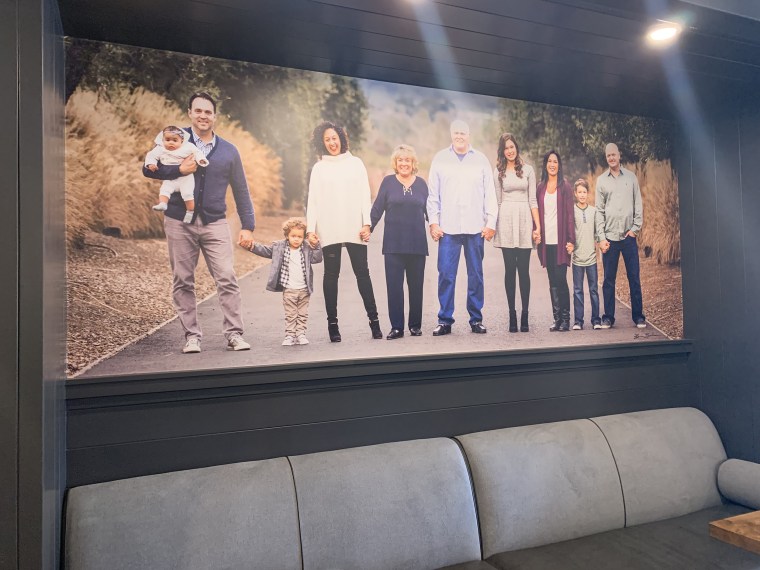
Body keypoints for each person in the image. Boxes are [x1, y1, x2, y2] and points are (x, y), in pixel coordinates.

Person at [142, 91, 254, 354]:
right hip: (179, 221)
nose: (203, 116)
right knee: (183, 279)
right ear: (190, 113)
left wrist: (248, 225)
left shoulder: (229, 151)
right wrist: (178, 171)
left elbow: (241, 189)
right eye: (198, 111)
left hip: (215, 221)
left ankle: (234, 334)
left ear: (215, 116)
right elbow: (148, 168)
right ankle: (192, 336)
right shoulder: (173, 139)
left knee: (226, 277)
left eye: (208, 112)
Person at [306, 121, 382, 343]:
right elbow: (313, 200)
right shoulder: (319, 168)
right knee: (331, 275)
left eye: (334, 138)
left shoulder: (355, 163)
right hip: (329, 228)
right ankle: (333, 326)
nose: (331, 142)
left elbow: (364, 194)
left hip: (354, 227)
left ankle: (374, 323)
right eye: (327, 139)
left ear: (341, 138)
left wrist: (367, 224)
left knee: (362, 273)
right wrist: (311, 229)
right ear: (322, 142)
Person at [427, 120, 497, 336]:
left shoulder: (481, 160)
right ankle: (445, 320)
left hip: (475, 228)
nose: (459, 136)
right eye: (456, 132)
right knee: (446, 275)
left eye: (463, 133)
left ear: (469, 135)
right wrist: (434, 222)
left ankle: (476, 319)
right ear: (451, 134)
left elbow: (490, 193)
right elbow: (433, 196)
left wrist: (491, 223)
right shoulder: (440, 159)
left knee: (476, 274)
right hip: (448, 229)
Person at [370, 144, 428, 340]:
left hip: (417, 245)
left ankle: (415, 325)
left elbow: (432, 212)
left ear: (413, 164)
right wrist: (367, 227)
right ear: (395, 163)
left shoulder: (421, 184)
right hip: (393, 245)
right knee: (394, 288)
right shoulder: (388, 183)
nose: (404, 163)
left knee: (416, 287)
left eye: (408, 160)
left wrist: (439, 227)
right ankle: (397, 327)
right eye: (400, 160)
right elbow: (377, 208)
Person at [244, 218, 322, 346]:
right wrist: (252, 246)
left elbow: (317, 259)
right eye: (293, 236)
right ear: (287, 235)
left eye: (300, 236)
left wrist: (316, 245)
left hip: (304, 289)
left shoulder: (307, 248)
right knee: (291, 314)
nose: (296, 239)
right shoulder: (280, 247)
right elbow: (265, 250)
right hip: (289, 289)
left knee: (302, 314)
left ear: (304, 237)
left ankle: (301, 334)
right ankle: (290, 335)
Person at [492, 133, 540, 333]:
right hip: (506, 221)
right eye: (506, 148)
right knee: (510, 270)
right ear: (502, 151)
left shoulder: (528, 170)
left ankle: (525, 315)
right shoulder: (499, 171)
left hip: (524, 221)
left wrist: (537, 227)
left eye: (512, 147)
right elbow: (497, 201)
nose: (510, 151)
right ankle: (512, 315)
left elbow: (533, 200)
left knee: (524, 271)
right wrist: (493, 226)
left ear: (516, 148)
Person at [595, 143, 646, 329]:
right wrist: (601, 237)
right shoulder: (601, 181)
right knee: (608, 279)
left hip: (628, 237)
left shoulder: (631, 178)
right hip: (609, 238)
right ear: (606, 157)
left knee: (634, 277)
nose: (611, 158)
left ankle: (639, 316)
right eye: (608, 155)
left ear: (619, 155)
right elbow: (599, 211)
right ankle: (608, 317)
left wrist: (635, 229)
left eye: (614, 154)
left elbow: (638, 205)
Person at [535, 150, 575, 332]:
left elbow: (569, 215)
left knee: (561, 279)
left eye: (555, 161)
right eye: (549, 161)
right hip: (546, 243)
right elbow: (535, 214)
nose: (552, 164)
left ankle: (566, 319)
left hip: (560, 243)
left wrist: (570, 240)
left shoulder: (565, 186)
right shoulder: (540, 187)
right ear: (545, 165)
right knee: (552, 280)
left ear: (559, 165)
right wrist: (535, 233)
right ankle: (557, 319)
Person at [145, 126, 209, 222]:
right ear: (162, 140)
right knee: (164, 190)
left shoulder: (188, 147)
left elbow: (197, 152)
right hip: (170, 178)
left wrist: (201, 160)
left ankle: (190, 212)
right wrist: (151, 164)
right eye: (167, 140)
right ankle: (163, 204)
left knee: (187, 194)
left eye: (175, 140)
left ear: (182, 141)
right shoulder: (160, 148)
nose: (171, 142)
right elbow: (151, 155)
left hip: (186, 178)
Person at [570, 179, 601, 330]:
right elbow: (569, 233)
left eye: (584, 192)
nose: (582, 195)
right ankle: (578, 321)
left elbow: (598, 232)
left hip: (591, 259)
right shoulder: (572, 211)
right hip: (577, 259)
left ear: (588, 193)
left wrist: (602, 242)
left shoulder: (594, 211)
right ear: (575, 194)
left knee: (594, 290)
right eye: (579, 192)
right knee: (577, 290)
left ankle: (596, 319)